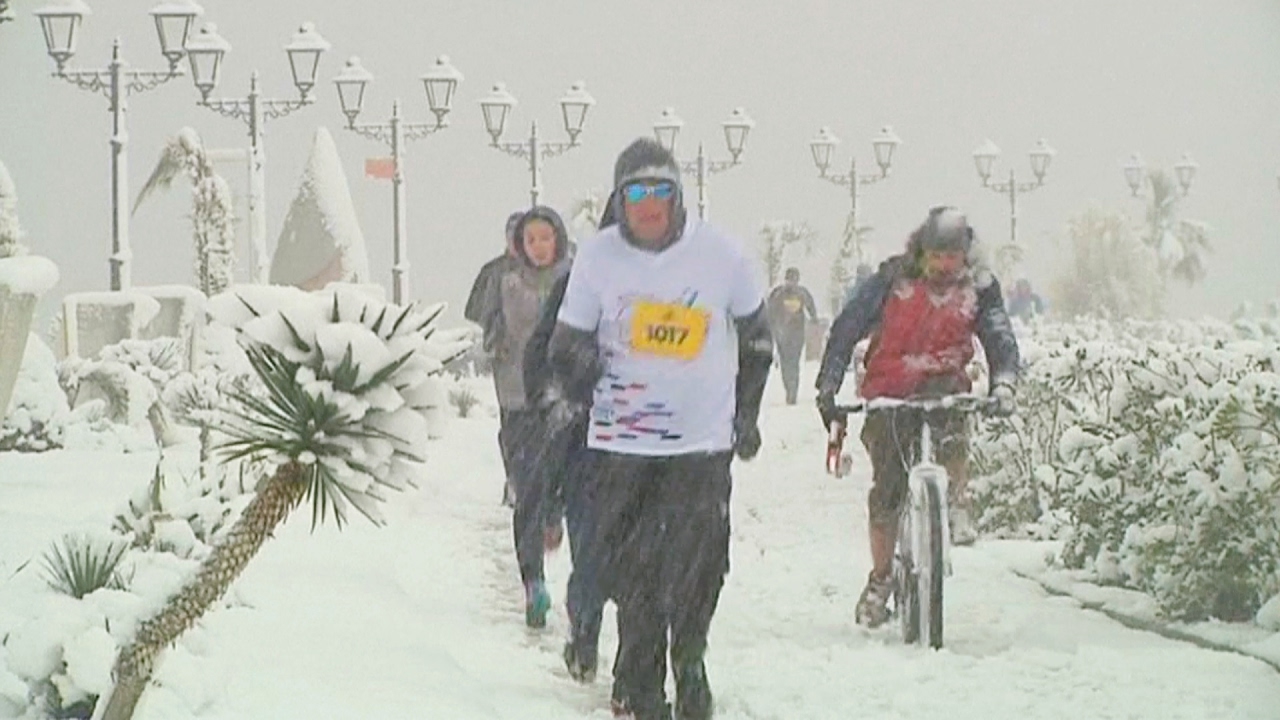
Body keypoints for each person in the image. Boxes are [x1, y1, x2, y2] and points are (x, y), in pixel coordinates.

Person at [546, 138, 772, 720]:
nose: (649, 205)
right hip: (622, 445)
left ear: (678, 197)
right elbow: (565, 344)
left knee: (701, 563)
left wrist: (746, 416)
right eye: (636, 193)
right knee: (635, 566)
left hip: (701, 445)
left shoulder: (721, 254)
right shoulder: (597, 259)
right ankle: (640, 678)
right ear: (619, 200)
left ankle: (690, 656)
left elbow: (758, 341)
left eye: (660, 192)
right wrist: (583, 371)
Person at [815, 206, 1020, 628]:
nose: (945, 266)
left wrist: (1003, 382)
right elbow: (847, 328)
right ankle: (881, 577)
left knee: (953, 441)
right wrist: (828, 384)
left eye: (953, 257)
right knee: (887, 489)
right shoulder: (891, 282)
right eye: (937, 256)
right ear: (921, 253)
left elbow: (998, 335)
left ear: (966, 256)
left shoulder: (980, 288)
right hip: (890, 391)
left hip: (944, 385)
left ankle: (954, 502)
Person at [522, 190, 618, 683]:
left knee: (650, 555)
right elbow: (538, 354)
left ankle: (647, 658)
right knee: (592, 547)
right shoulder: (579, 284)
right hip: (589, 437)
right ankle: (585, 629)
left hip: (661, 445)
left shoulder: (677, 286)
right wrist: (553, 402)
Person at [491, 205, 572, 628]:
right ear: (519, 245)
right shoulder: (505, 283)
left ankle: (555, 517)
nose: (539, 247)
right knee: (526, 489)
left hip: (565, 400)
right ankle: (533, 584)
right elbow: (501, 326)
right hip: (519, 398)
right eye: (530, 240)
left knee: (564, 486)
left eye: (546, 238)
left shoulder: (580, 279)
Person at [465, 210, 526, 507]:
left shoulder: (545, 271)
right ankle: (515, 479)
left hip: (542, 363)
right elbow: (477, 311)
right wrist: (496, 335)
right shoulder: (494, 271)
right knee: (513, 425)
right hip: (508, 363)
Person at [766, 267, 818, 404]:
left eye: (794, 279)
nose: (792, 283)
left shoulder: (800, 293)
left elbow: (812, 308)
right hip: (784, 334)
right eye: (790, 279)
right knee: (786, 363)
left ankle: (792, 391)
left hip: (795, 334)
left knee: (793, 363)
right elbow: (770, 313)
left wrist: (814, 319)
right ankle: (790, 389)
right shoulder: (778, 294)